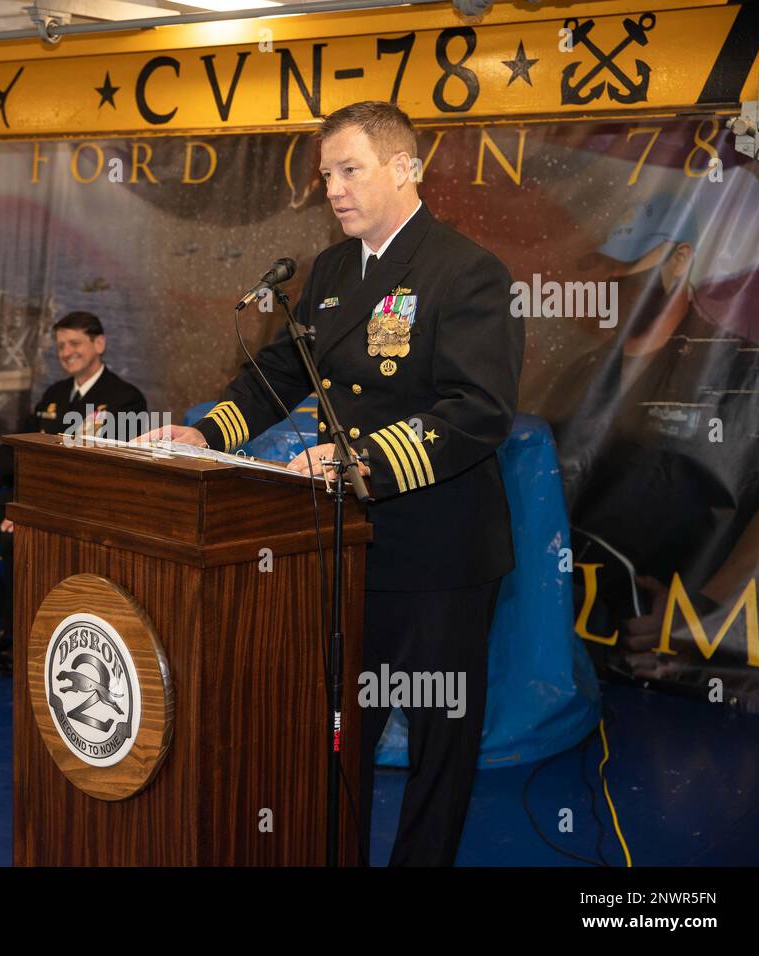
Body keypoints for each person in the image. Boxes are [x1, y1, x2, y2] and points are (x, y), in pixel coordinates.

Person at [146, 101, 523, 865]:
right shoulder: (329, 271)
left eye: (350, 170)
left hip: (440, 551)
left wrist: (363, 463)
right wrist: (207, 430)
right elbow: (279, 372)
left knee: (439, 742)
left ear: (405, 168)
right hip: (350, 543)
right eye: (326, 175)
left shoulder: (466, 270)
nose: (335, 190)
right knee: (344, 721)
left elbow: (478, 411)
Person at [542, 195, 759, 685]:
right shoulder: (579, 374)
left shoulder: (742, 370)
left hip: (705, 672)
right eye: (602, 269)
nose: (608, 285)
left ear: (678, 263)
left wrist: (701, 606)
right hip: (585, 657)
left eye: (625, 269)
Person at [0, 311, 147, 675]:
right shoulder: (54, 395)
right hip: (28, 500)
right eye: (61, 345)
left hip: (79, 510)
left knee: (18, 538)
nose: (67, 352)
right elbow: (14, 450)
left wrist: (36, 510)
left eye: (75, 343)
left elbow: (107, 476)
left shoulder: (125, 400)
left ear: (99, 344)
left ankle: (18, 641)